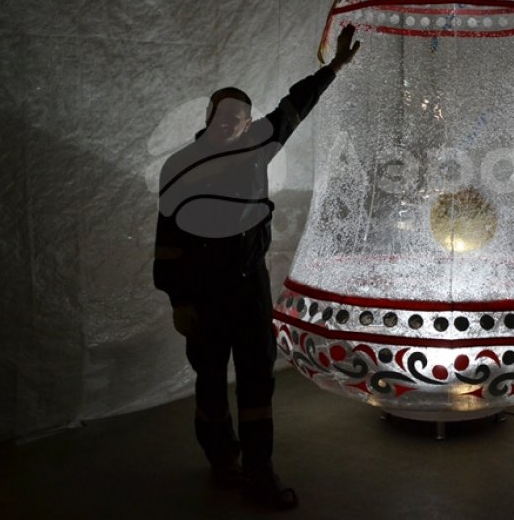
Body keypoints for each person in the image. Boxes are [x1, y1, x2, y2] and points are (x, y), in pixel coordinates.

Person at [153, 25, 360, 511]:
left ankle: (258, 469)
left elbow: (295, 105)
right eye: (224, 114)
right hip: (203, 296)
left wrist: (334, 68)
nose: (233, 122)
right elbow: (168, 242)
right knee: (209, 381)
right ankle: (221, 458)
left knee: (255, 382)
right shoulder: (180, 166)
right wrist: (178, 299)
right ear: (210, 118)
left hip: (249, 292)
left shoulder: (258, 148)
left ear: (248, 122)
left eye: (241, 116)